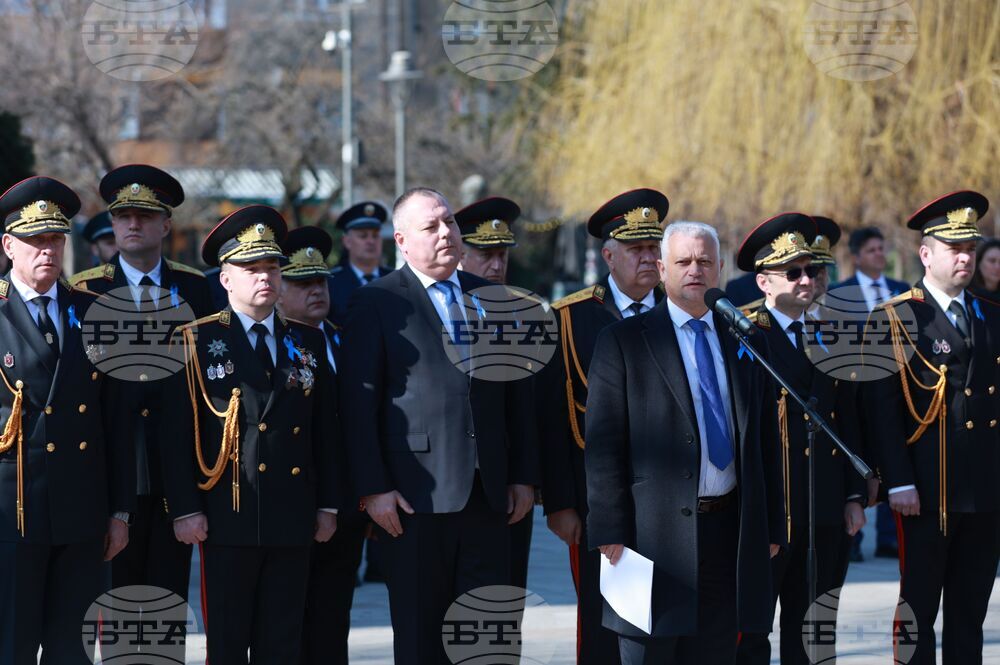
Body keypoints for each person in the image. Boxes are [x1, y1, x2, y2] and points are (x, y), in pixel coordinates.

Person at [339, 187, 538, 665]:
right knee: (423, 639)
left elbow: (517, 398)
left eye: (448, 222)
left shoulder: (492, 300)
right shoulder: (378, 302)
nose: (446, 232)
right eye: (432, 226)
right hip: (414, 501)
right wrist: (374, 489)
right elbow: (357, 405)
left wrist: (523, 476)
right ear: (402, 242)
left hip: (487, 496)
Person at [586, 219, 785, 665]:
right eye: (683, 261)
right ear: (661, 268)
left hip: (727, 532)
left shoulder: (747, 339)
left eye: (705, 261)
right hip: (650, 536)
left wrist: (771, 524)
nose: (695, 269)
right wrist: (609, 527)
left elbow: (765, 442)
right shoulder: (623, 341)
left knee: (714, 653)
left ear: (717, 270)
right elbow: (603, 443)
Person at [159, 205, 342, 663]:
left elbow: (326, 432)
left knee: (282, 642)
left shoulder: (308, 341)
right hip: (227, 515)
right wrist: (185, 509)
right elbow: (176, 435)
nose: (265, 278)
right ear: (225, 279)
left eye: (272, 268)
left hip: (291, 512)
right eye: (251, 268)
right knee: (227, 640)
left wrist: (327, 504)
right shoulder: (193, 341)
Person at [0, 176, 135, 664]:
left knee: (71, 651)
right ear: (8, 245)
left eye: (55, 239)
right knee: (11, 646)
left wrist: (119, 511)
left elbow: (117, 422)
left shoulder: (96, 312)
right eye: (35, 240)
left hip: (82, 511)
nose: (47, 250)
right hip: (12, 511)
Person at [70, 164, 214, 615]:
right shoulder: (85, 292)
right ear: (112, 223)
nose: (134, 224)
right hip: (112, 473)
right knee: (114, 603)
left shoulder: (196, 289)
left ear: (166, 224)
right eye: (124, 216)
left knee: (166, 604)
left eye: (146, 216)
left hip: (179, 473)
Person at [867, 190, 999, 665]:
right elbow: (883, 410)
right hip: (926, 489)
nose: (966, 257)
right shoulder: (897, 318)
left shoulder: (990, 314)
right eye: (954, 248)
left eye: (970, 248)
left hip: (984, 490)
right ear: (926, 254)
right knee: (917, 611)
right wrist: (897, 479)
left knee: (970, 612)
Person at [539, 188, 665, 665]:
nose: (649, 259)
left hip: (671, 499)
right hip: (598, 504)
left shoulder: (679, 315)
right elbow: (554, 419)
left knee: (665, 624)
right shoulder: (571, 319)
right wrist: (561, 503)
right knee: (602, 628)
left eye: (654, 249)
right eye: (637, 250)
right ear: (609, 256)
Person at [734, 213, 866, 665]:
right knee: (750, 632)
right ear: (764, 282)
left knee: (814, 632)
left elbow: (850, 418)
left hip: (824, 506)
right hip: (769, 510)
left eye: (813, 269)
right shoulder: (744, 335)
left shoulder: (835, 332)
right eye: (793, 272)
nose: (807, 279)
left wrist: (853, 495)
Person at [276, 226, 362, 665]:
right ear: (278, 290)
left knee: (333, 619)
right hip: (293, 502)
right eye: (302, 283)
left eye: (321, 281)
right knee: (290, 623)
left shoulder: (345, 337)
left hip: (344, 502)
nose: (316, 291)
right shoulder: (275, 344)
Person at [455, 196, 540, 628]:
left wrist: (525, 478)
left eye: (502, 254)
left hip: (501, 486)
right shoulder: (441, 307)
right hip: (448, 485)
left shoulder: (519, 312)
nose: (496, 265)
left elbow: (525, 408)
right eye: (485, 254)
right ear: (460, 253)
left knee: (502, 608)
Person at [832, 226, 909, 561]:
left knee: (893, 462)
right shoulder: (840, 292)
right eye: (873, 249)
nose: (880, 254)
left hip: (893, 390)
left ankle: (890, 538)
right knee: (860, 464)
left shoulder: (902, 290)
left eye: (882, 248)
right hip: (853, 390)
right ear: (857, 256)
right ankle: (855, 535)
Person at [328, 201, 393, 326]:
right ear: (347, 241)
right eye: (363, 236)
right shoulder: (331, 283)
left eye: (375, 235)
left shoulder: (395, 280)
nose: (371, 241)